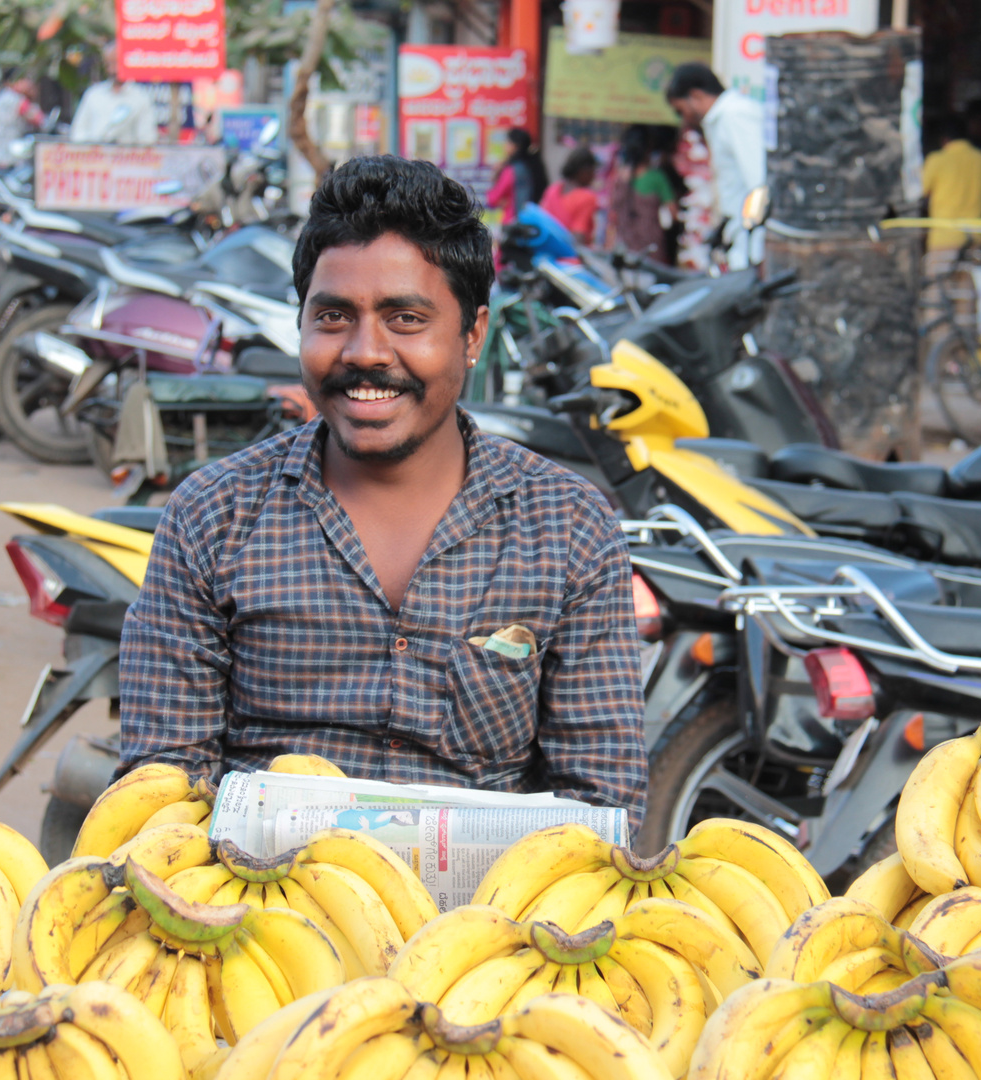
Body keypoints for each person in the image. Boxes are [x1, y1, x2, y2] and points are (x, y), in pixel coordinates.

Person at [117, 156, 647, 824]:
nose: (365, 352)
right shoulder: (214, 516)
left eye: (405, 319)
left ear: (472, 333)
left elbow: (603, 802)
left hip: (485, 918)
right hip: (255, 915)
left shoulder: (567, 526)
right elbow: (162, 786)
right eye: (334, 316)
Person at [664, 63, 765, 269]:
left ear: (696, 96)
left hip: (750, 245)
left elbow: (759, 184)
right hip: (738, 241)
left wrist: (754, 240)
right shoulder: (721, 119)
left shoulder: (735, 114)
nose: (683, 119)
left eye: (680, 111)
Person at [921, 114, 981, 254]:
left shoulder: (935, 160)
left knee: (940, 277)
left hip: (942, 240)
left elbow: (923, 197)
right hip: (975, 240)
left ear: (943, 139)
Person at [609, 124, 677, 264]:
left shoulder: (619, 177)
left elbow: (612, 214)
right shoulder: (656, 177)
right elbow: (673, 213)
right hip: (651, 249)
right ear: (649, 148)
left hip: (624, 246)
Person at [70, 43, 157, 146]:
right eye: (108, 64)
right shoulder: (93, 95)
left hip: (127, 159)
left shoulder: (140, 98)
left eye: (116, 63)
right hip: (93, 158)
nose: (112, 70)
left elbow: (146, 139)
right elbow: (78, 133)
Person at [482, 127, 547, 223]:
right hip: (535, 220)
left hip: (514, 222)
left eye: (508, 143)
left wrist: (495, 176)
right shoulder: (536, 165)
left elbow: (493, 199)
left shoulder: (511, 170)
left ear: (515, 146)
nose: (505, 146)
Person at [0, 69, 43, 168]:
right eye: (23, 79)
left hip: (1, 153)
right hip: (4, 157)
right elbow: (38, 118)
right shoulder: (12, 98)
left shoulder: (3, 96)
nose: (28, 83)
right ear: (10, 82)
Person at [540, 146, 599, 246]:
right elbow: (579, 237)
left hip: (546, 253)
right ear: (583, 171)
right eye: (592, 171)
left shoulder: (552, 190)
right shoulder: (586, 198)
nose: (593, 176)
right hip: (568, 256)